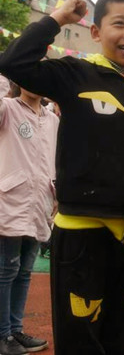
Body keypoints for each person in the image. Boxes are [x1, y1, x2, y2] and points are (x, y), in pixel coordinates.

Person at [0, 0, 124, 355]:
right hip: (82, 233)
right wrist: (58, 18)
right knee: (80, 336)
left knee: (121, 331)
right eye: (118, 24)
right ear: (95, 32)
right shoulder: (75, 74)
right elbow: (14, 61)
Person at [0, 76, 58, 355]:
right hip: (10, 202)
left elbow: (55, 161)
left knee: (24, 271)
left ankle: (15, 330)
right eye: (26, 71)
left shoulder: (52, 120)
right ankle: (2, 335)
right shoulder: (7, 109)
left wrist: (56, 194)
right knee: (5, 271)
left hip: (39, 204)